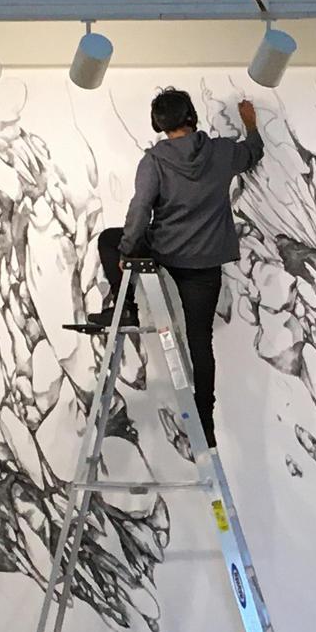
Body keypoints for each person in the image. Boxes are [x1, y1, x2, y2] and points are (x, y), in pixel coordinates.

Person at [82, 88, 263, 446]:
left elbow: (140, 209)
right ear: (191, 116)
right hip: (207, 258)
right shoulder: (223, 151)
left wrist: (128, 249)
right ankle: (205, 424)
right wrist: (250, 124)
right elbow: (253, 152)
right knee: (200, 341)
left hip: (167, 250)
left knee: (107, 239)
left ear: (159, 124)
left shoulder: (155, 161)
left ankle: (127, 308)